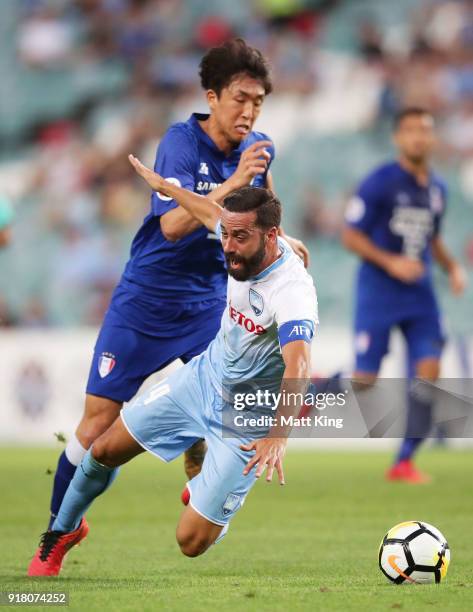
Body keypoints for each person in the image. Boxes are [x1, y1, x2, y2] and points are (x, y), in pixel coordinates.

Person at [42, 38, 309, 531]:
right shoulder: (180, 143)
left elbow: (266, 214)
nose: (249, 111)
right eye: (240, 99)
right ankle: (62, 524)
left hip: (210, 302)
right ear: (212, 98)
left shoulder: (258, 150)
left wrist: (286, 241)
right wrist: (231, 186)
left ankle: (201, 477)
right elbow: (171, 226)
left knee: (224, 407)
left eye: (258, 102)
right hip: (146, 298)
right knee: (98, 424)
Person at [27, 163, 318, 576]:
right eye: (227, 235)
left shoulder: (292, 292)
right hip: (201, 380)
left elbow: (300, 364)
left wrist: (277, 436)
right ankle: (61, 533)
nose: (229, 246)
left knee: (190, 543)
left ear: (271, 237)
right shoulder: (235, 233)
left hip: (246, 418)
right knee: (104, 449)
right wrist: (165, 186)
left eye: (240, 237)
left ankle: (213, 499)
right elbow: (205, 211)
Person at [342, 107, 466, 483]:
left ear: (432, 138)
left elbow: (432, 236)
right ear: (398, 137)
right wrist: (391, 262)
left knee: (428, 370)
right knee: (365, 379)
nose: (418, 137)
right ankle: (316, 387)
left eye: (425, 130)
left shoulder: (437, 188)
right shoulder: (379, 182)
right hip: (378, 291)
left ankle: (404, 460)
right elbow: (350, 235)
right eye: (410, 130)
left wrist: (452, 267)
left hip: (419, 295)